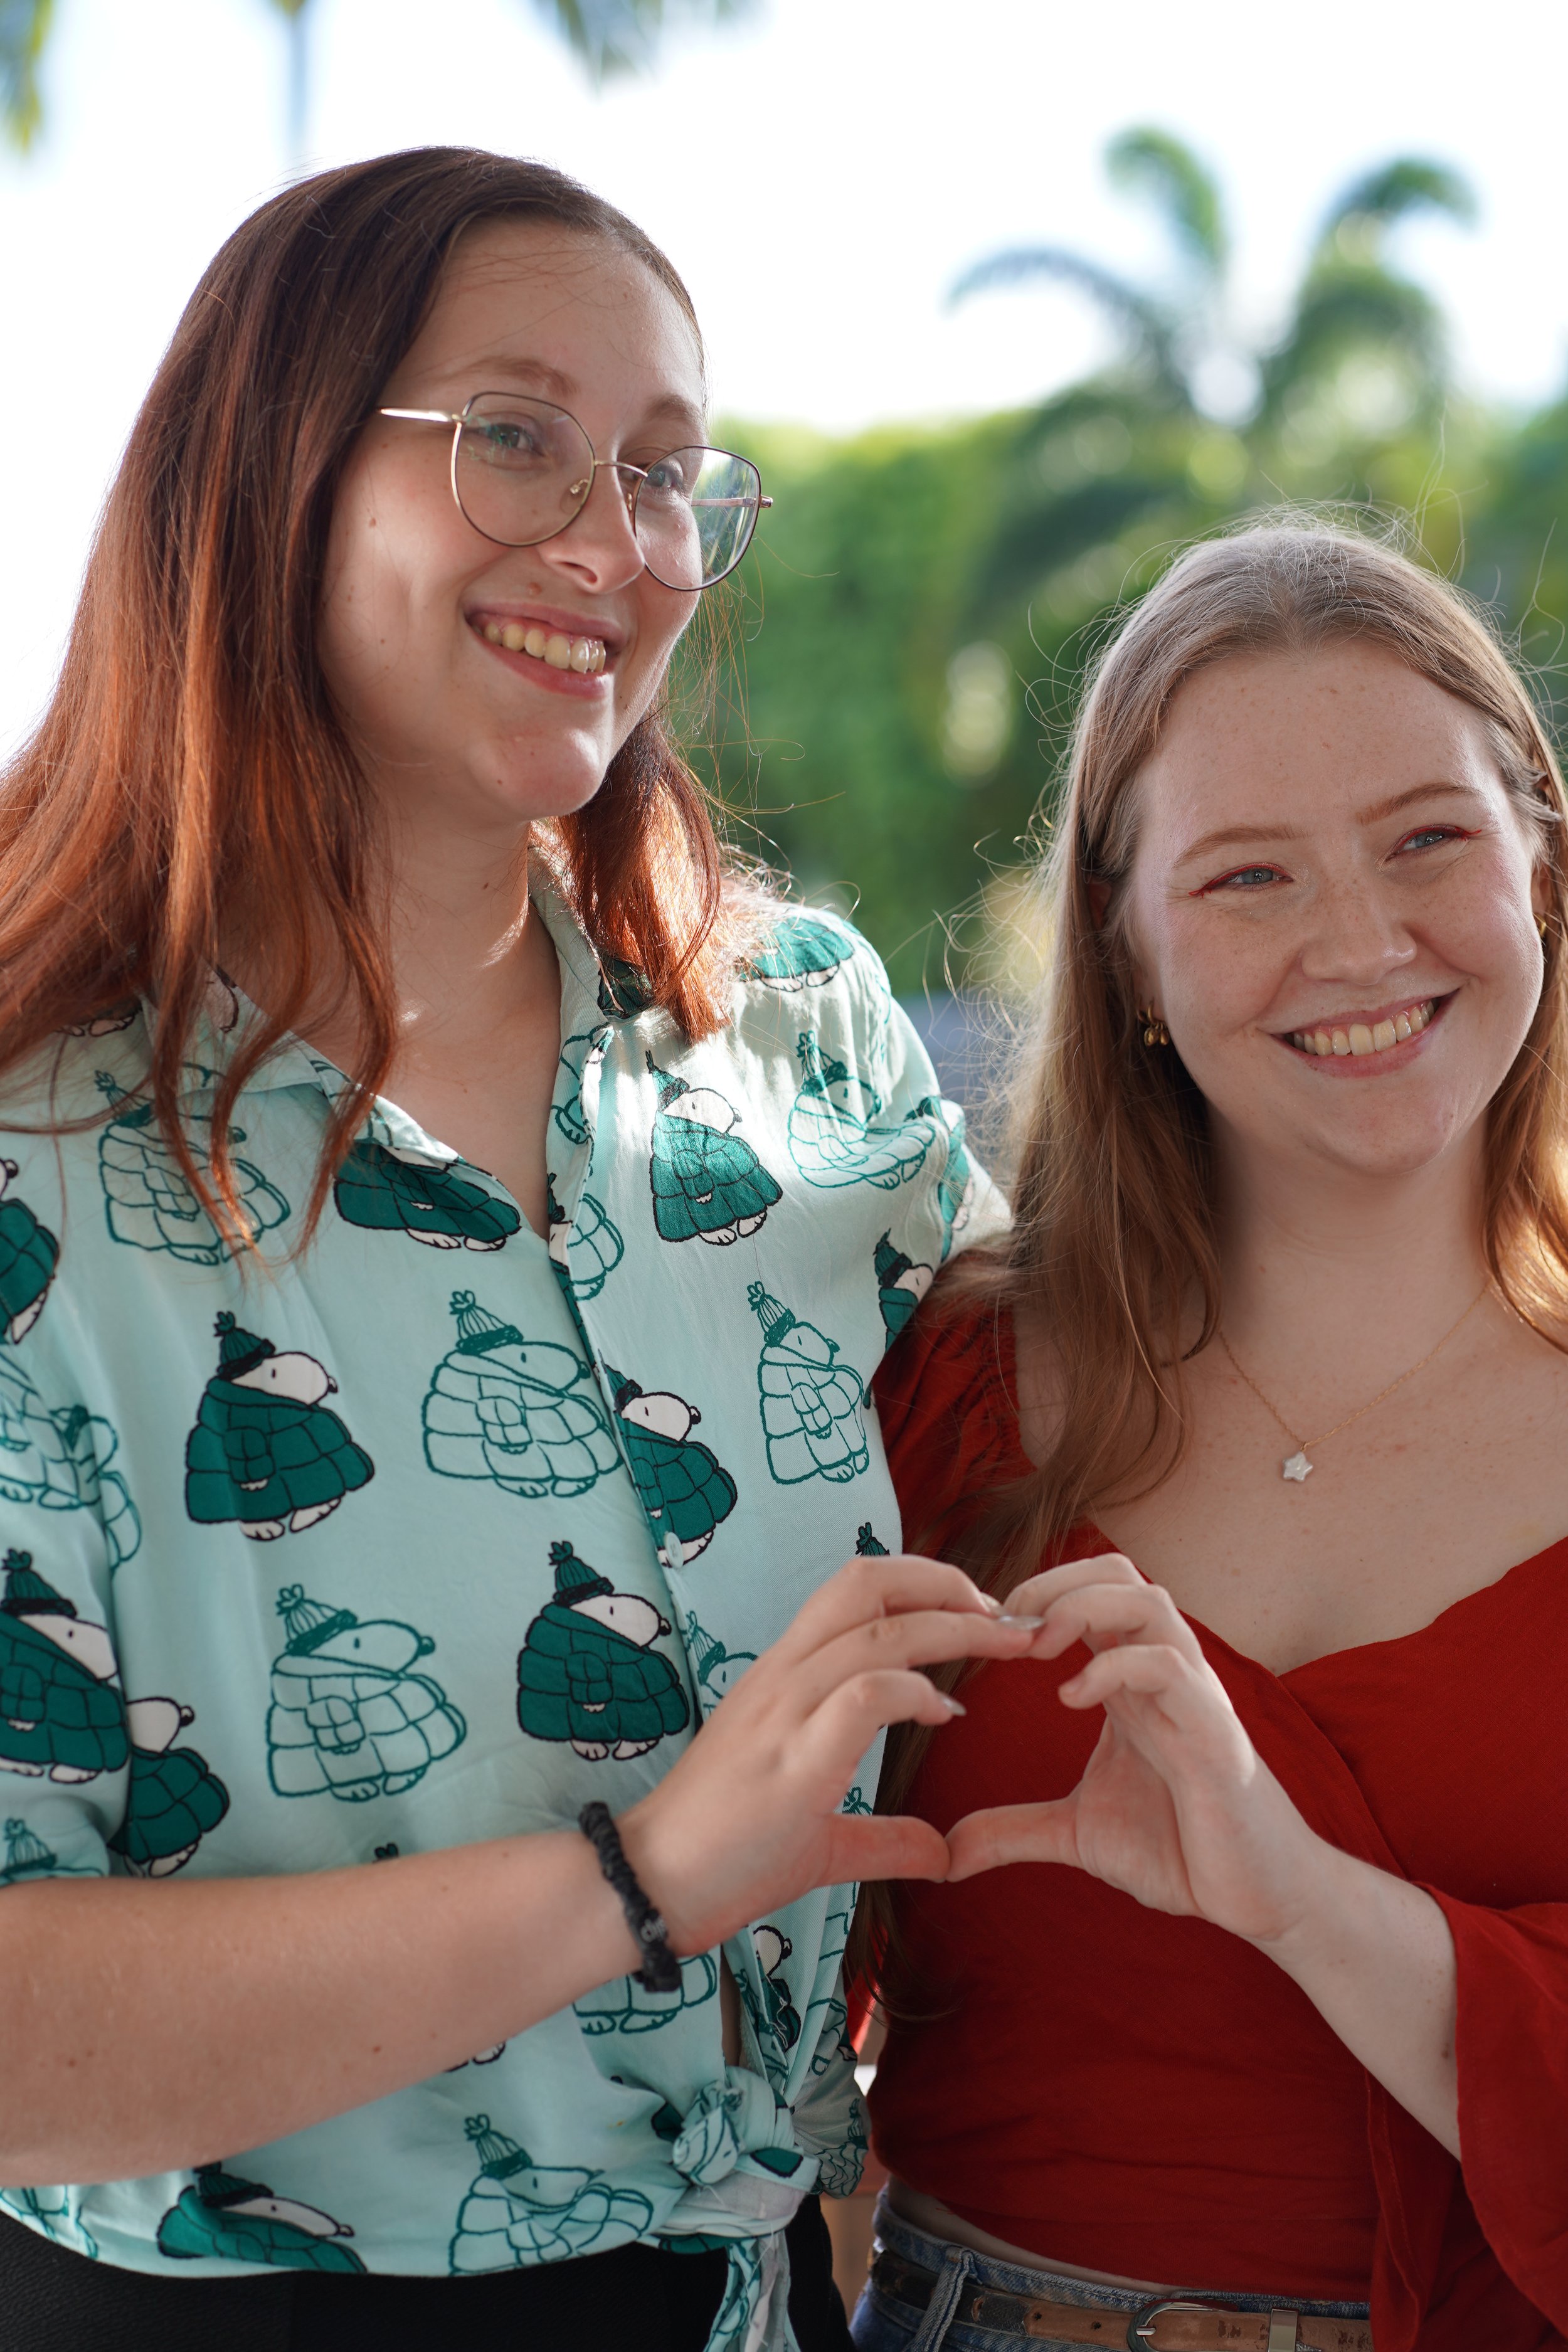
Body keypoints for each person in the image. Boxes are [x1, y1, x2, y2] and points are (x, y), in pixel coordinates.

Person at [0, 147, 1029, 2352]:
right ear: (274, 471)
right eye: (517, 436)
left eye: (663, 472)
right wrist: (641, 1884)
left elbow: (1111, 1445)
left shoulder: (806, 1045)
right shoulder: (28, 1164)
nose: (615, 543)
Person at [854, 524, 1568, 2352]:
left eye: (1427, 839)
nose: (1363, 942)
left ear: (1538, 863)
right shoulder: (935, 1384)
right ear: (1126, 950)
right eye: (1248, 875)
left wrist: (1301, 1898)